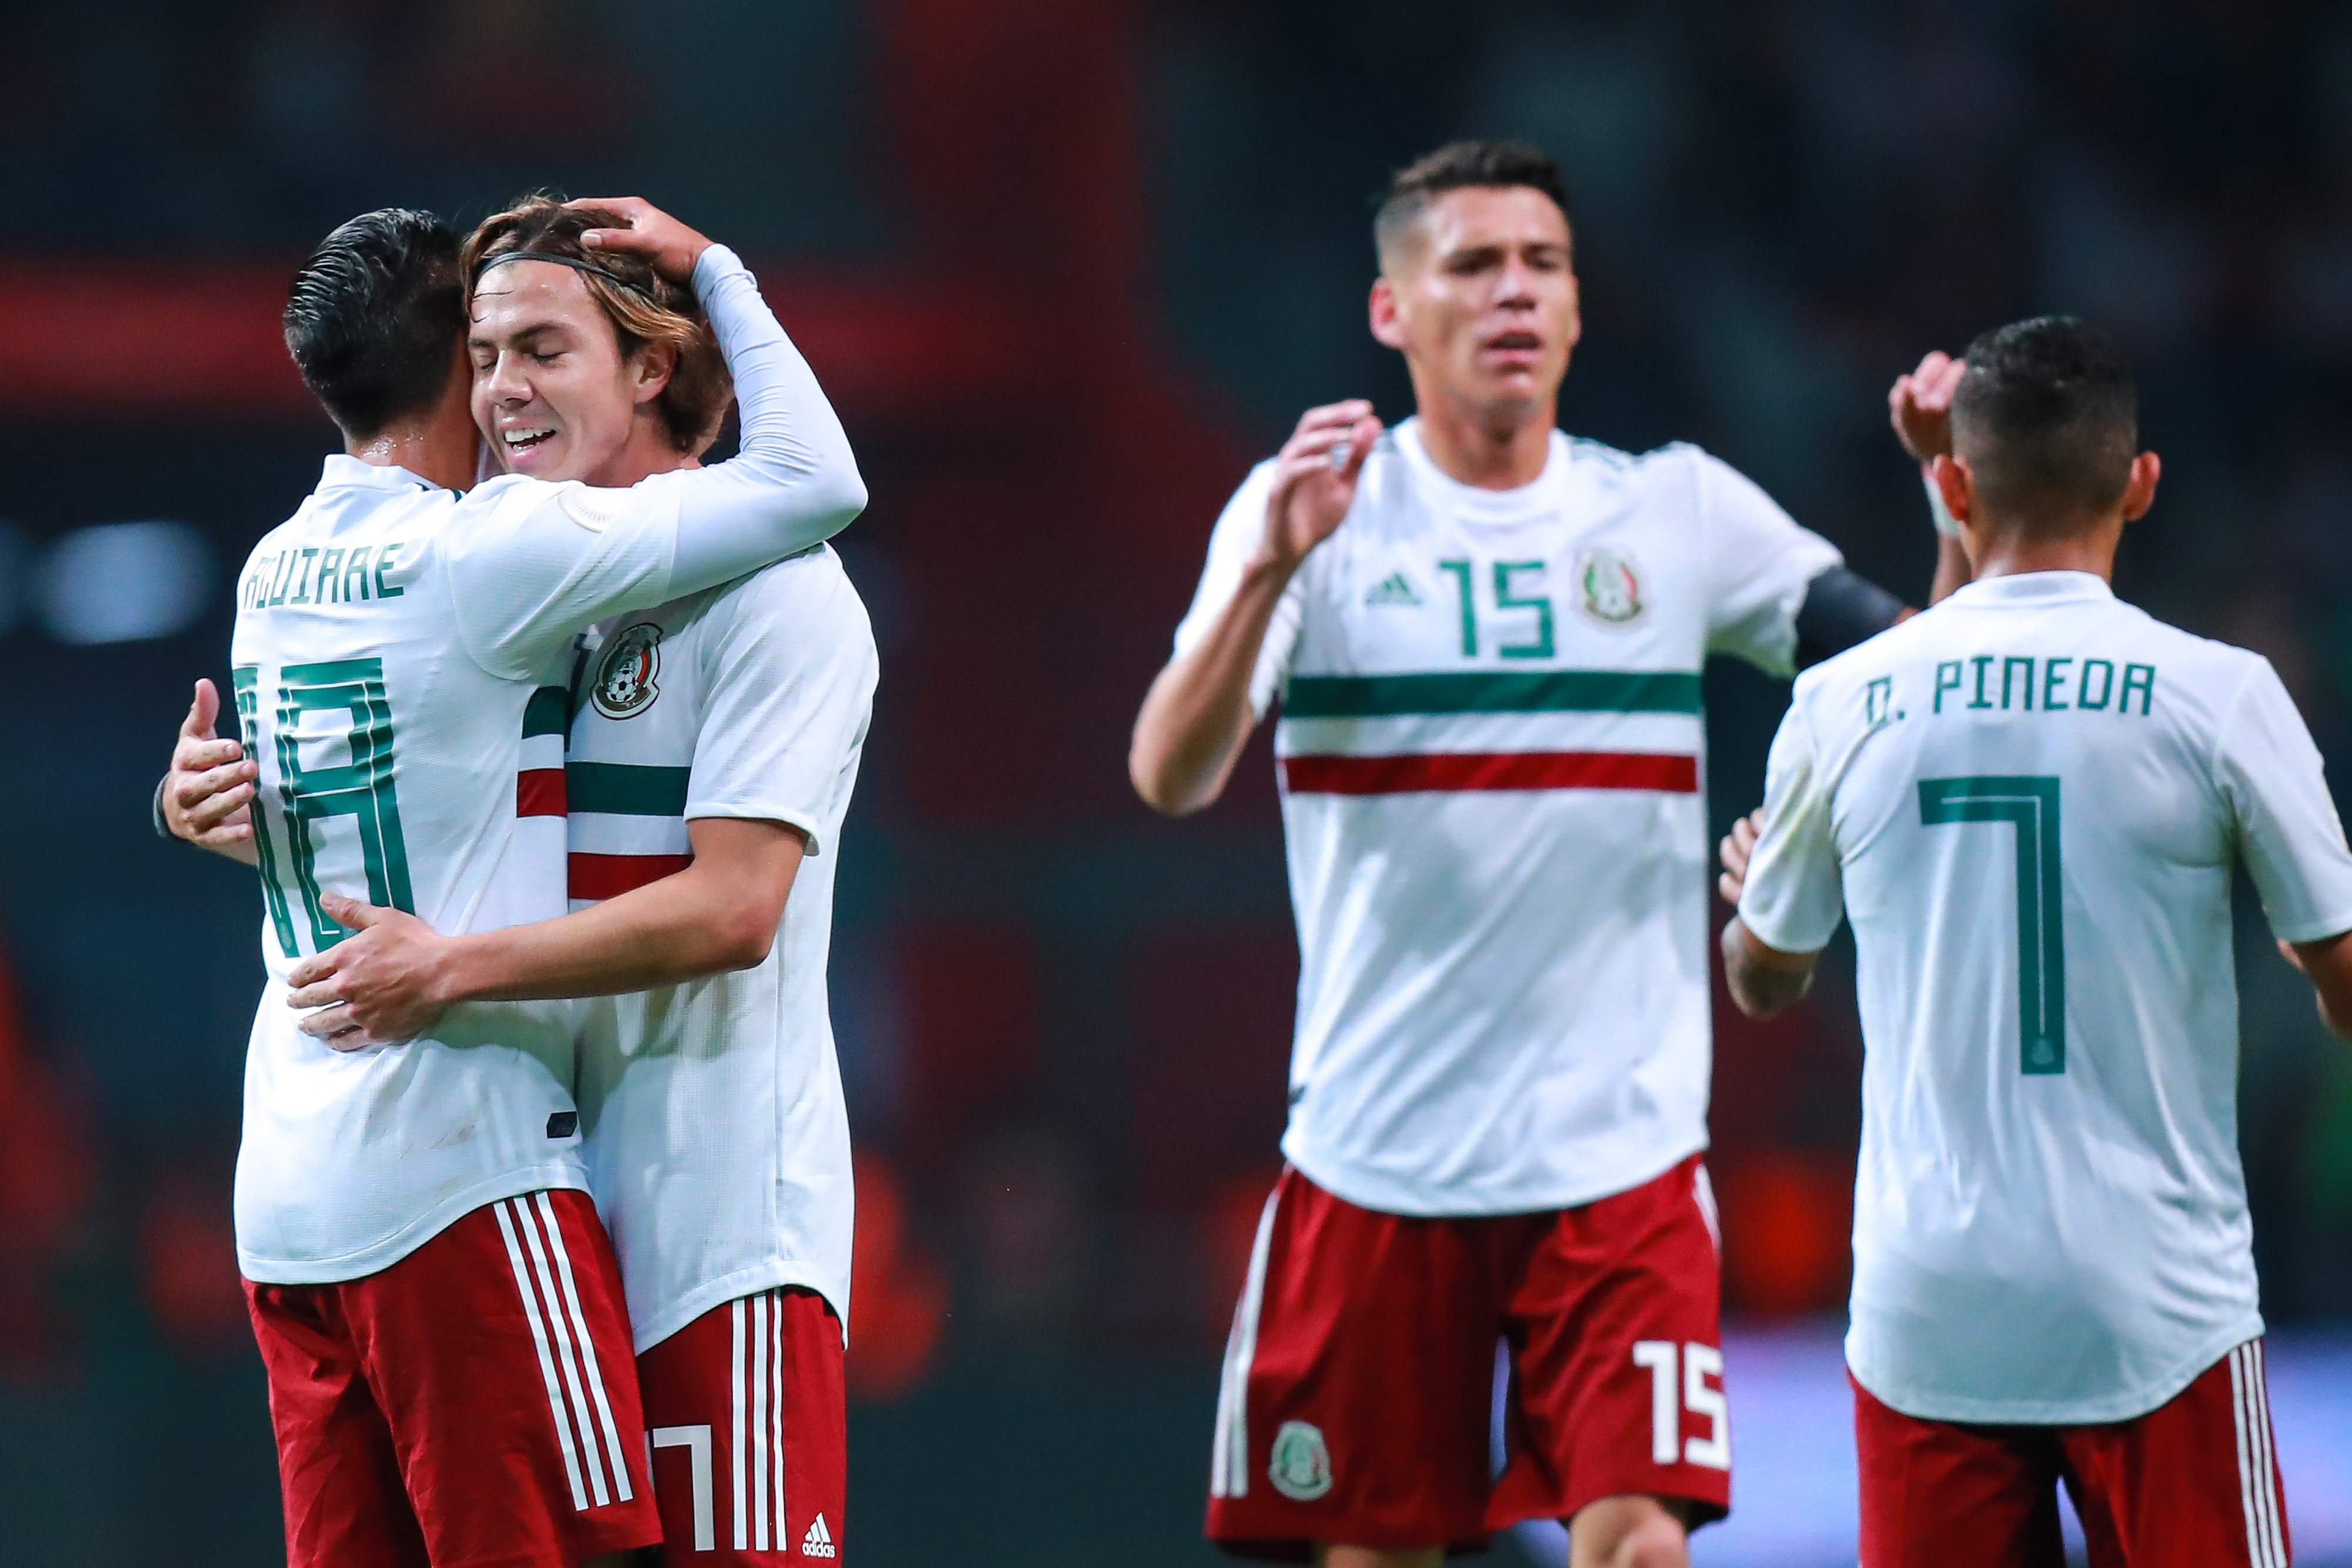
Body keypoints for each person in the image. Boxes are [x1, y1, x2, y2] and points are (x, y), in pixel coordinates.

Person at [1128, 138, 1947, 1568]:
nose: (1516, 292)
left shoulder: (1673, 510)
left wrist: (1951, 529)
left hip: (1617, 1159)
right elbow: (1167, 771)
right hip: (1378, 1155)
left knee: (1637, 1538)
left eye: (1543, 265)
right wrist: (1269, 567)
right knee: (1380, 1550)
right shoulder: (1308, 510)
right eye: (1474, 264)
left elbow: (1906, 674)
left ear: (1575, 309)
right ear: (1392, 311)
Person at [169, 195, 873, 1566]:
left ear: (652, 367)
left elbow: (736, 909)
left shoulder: (780, 595)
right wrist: (222, 802)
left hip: (717, 1228)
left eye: (542, 350)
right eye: (482, 354)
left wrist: (450, 968)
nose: (500, 393)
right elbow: (422, 821)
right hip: (543, 1212)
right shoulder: (528, 583)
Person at [1719, 315, 2352, 1568]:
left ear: (1952, 484)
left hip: (1925, 1317)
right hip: (2154, 1308)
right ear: (2139, 482)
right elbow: (2342, 982)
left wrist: (1749, 911)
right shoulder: (2215, 695)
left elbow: (1763, 978)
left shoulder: (1839, 699)